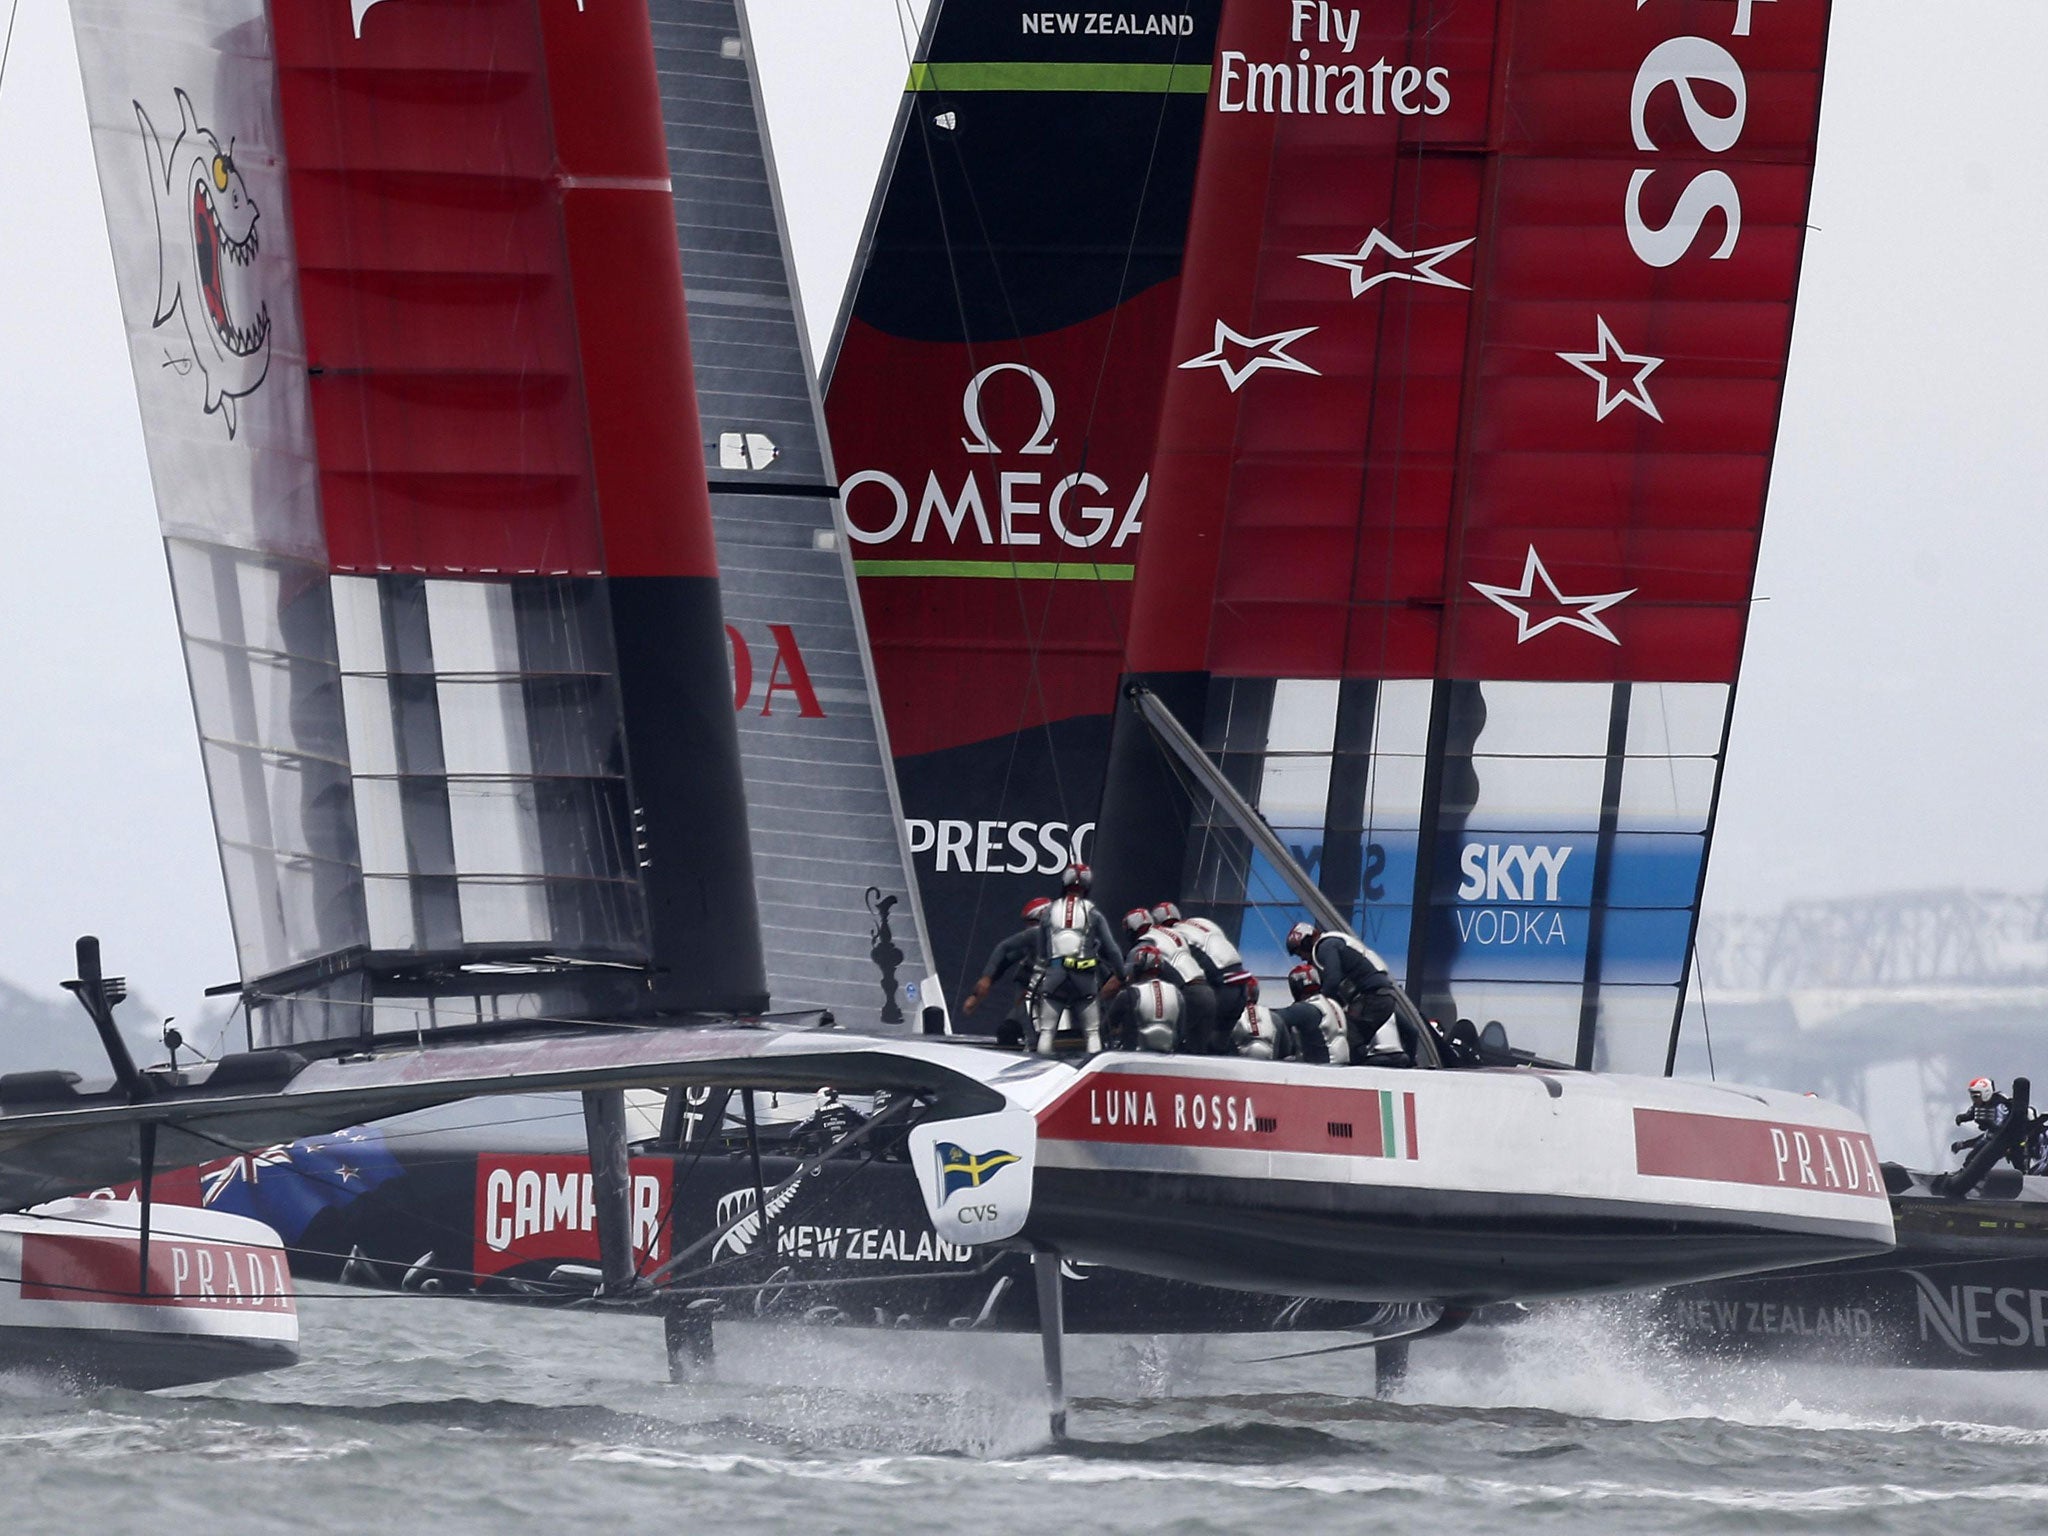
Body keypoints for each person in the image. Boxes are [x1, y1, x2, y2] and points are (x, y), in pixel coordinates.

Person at [1033, 862, 1124, 1055]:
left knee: (1047, 1031)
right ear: (1087, 886)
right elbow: (1112, 949)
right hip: (1084, 976)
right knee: (1092, 1032)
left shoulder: (1048, 911)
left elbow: (1041, 951)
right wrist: (1121, 975)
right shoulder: (1093, 912)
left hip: (1055, 974)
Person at [1154, 902, 1258, 1048]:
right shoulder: (1202, 923)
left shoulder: (1174, 938)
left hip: (1222, 988)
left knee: (1189, 1045)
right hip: (1242, 985)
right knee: (1218, 1049)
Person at [1285, 921, 1398, 1042]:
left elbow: (1333, 981)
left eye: (1300, 952)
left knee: (1346, 1038)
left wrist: (1318, 1009)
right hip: (1384, 997)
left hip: (1370, 998)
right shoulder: (1337, 942)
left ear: (1306, 943)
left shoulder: (1325, 947)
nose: (1302, 958)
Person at [964, 897, 1052, 1050]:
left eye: (1031, 923)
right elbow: (1004, 960)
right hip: (1030, 997)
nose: (1028, 928)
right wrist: (979, 990)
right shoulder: (1032, 941)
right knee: (1008, 1031)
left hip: (1056, 999)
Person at [1104, 945, 1180, 1052]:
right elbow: (1181, 1029)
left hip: (1135, 1056)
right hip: (1169, 1056)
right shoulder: (1176, 993)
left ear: (1138, 969)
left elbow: (1106, 1026)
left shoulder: (1129, 994)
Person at [1953, 1076, 2014, 1157]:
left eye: (1976, 1095)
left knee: (1980, 1149)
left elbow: (2001, 1127)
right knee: (1974, 1154)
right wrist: (1962, 1118)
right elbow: (1971, 1113)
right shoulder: (1980, 1104)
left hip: (2006, 1137)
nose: (1974, 1098)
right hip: (1992, 1136)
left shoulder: (2000, 1104)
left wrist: (1989, 1124)